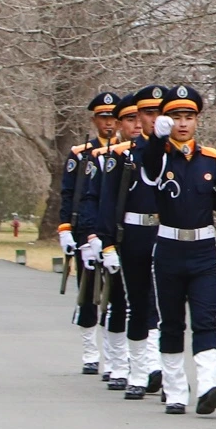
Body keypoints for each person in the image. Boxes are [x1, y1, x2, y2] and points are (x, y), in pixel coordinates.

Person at [139, 85, 216, 415]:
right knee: (171, 322)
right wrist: (157, 139)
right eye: (175, 117)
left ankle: (209, 385)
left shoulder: (210, 159)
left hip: (202, 249)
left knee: (205, 318)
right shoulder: (158, 156)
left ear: (197, 120)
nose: (183, 124)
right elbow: (150, 169)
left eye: (189, 117)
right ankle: (174, 389)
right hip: (170, 246)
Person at [89, 86, 168, 400]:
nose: (153, 120)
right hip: (133, 234)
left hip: (165, 235)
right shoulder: (122, 156)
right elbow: (108, 203)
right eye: (147, 114)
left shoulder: (177, 152)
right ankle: (134, 369)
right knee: (132, 303)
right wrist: (105, 243)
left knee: (162, 306)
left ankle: (158, 368)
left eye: (160, 113)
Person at [63, 90, 121, 375]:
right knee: (88, 294)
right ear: (95, 120)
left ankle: (114, 356)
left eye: (113, 118)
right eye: (103, 117)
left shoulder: (124, 154)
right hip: (85, 231)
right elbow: (70, 195)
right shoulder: (80, 154)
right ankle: (89, 351)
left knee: (115, 296)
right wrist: (67, 231)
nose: (108, 124)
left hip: (114, 234)